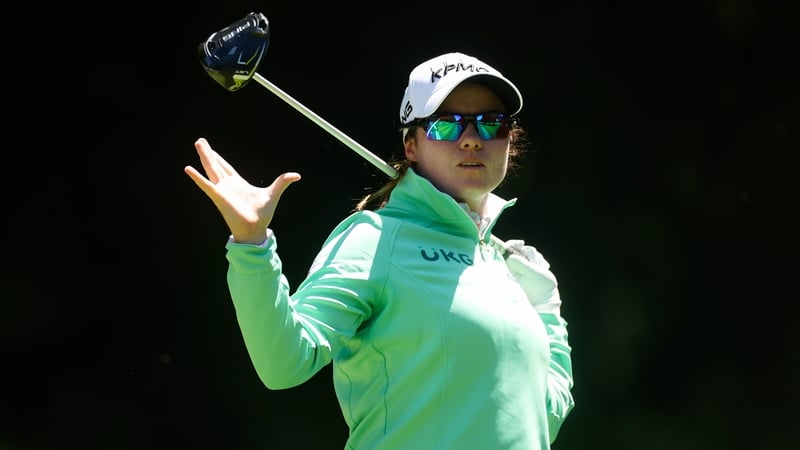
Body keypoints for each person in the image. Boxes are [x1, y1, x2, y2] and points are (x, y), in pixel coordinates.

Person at [184, 51, 575, 449]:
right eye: (447, 125)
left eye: (492, 123)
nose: (472, 138)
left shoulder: (503, 267)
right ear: (411, 145)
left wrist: (548, 314)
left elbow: (543, 415)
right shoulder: (375, 238)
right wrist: (252, 244)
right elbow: (283, 364)